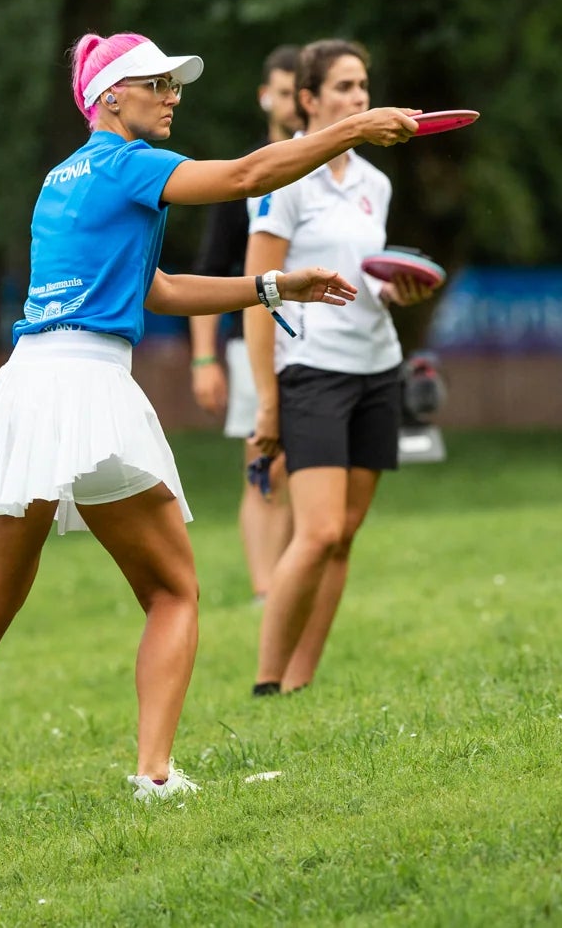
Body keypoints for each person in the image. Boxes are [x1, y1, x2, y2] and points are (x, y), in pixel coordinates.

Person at [0, 32, 420, 854]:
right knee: (173, 592)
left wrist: (271, 284)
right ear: (107, 99)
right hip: (86, 386)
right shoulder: (128, 165)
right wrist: (351, 128)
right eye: (153, 84)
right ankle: (155, 775)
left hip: (24, 386)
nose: (171, 96)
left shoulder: (62, 178)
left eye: (173, 84)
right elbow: (243, 177)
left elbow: (154, 287)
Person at [247, 39, 437, 696]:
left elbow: (362, 279)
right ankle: (267, 680)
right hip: (312, 370)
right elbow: (256, 292)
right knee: (318, 527)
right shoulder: (283, 177)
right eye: (343, 88)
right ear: (307, 99)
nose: (358, 98)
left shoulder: (374, 182)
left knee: (343, 535)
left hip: (376, 365)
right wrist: (265, 400)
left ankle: (300, 681)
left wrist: (396, 290)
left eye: (363, 86)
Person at [188, 44, 303, 601]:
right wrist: (205, 358)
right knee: (265, 468)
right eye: (281, 91)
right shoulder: (245, 176)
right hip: (252, 340)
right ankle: (266, 592)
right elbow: (208, 272)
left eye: (297, 91)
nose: (291, 103)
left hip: (319, 339)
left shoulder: (333, 173)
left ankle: (294, 580)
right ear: (266, 96)